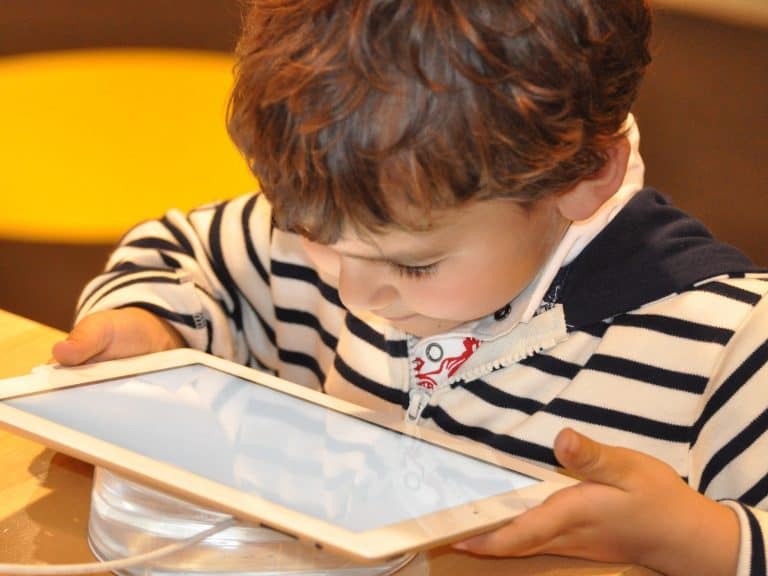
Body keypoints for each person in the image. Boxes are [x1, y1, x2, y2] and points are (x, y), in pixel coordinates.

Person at [52, 1, 767, 575]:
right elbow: (185, 256)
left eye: (415, 267)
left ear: (583, 179)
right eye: (312, 235)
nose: (356, 292)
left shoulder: (729, 344)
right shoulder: (358, 227)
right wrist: (148, 324)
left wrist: (689, 539)